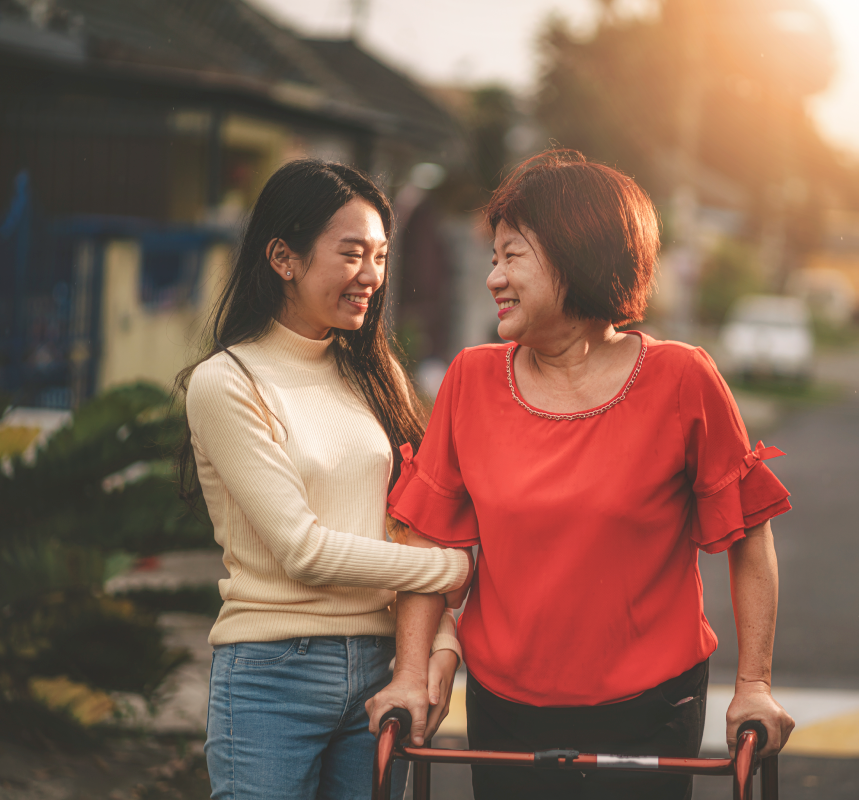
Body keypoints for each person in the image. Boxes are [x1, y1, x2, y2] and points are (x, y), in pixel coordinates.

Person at [368, 149, 796, 800]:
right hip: (504, 706)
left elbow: (748, 536)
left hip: (652, 707)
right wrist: (409, 673)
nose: (494, 278)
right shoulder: (471, 380)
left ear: (578, 254)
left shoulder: (684, 379)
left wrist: (755, 686)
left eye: (512, 256)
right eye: (493, 258)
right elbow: (430, 541)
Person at [176, 159, 471, 800]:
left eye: (382, 256)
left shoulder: (374, 372)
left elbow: (407, 522)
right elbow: (302, 551)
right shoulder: (228, 382)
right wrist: (456, 572)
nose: (372, 276)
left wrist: (437, 647)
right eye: (352, 254)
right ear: (283, 257)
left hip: (378, 673)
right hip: (271, 678)